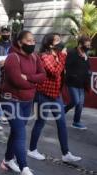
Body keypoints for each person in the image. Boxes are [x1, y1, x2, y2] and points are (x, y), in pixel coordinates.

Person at [0, 30, 46, 175]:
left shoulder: (35, 57)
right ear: (20, 42)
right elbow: (17, 81)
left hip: (27, 102)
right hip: (11, 101)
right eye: (29, 41)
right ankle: (24, 169)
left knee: (16, 131)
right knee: (20, 133)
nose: (32, 43)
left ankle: (7, 160)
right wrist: (33, 83)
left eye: (34, 41)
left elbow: (43, 76)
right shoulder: (13, 58)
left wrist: (29, 78)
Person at [28, 33, 82, 162]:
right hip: (43, 95)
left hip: (56, 95)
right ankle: (32, 149)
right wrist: (63, 56)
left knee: (62, 124)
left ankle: (66, 153)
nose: (61, 42)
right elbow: (54, 72)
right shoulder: (44, 56)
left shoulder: (58, 56)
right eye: (57, 40)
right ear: (50, 44)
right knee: (40, 122)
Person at [64, 36, 92, 130]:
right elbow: (67, 65)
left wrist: (88, 73)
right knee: (75, 101)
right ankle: (63, 110)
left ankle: (76, 122)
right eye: (87, 45)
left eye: (89, 45)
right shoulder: (72, 53)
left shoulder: (86, 55)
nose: (88, 46)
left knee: (80, 104)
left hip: (82, 83)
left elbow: (88, 67)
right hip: (72, 82)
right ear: (80, 44)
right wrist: (74, 75)